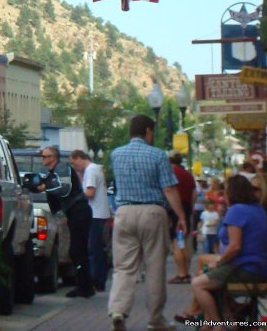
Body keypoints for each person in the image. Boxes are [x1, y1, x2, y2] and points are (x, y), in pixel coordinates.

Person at [107, 114, 187, 331]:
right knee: (154, 267)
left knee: (124, 267)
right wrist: (181, 216)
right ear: (148, 131)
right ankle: (155, 319)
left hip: (123, 212)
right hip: (153, 212)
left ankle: (118, 311)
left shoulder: (116, 154)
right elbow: (169, 189)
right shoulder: (158, 155)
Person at [188, 174, 267, 331]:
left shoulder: (236, 211)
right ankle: (224, 319)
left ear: (232, 192)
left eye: (225, 190)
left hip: (246, 266)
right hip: (261, 265)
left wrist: (218, 263)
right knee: (203, 271)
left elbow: (235, 247)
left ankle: (216, 324)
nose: (222, 194)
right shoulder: (257, 209)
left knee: (198, 284)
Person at [28, 145, 94, 298]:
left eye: (45, 156)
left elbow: (63, 188)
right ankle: (85, 285)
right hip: (74, 213)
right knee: (77, 251)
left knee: (77, 250)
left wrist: (45, 187)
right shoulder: (51, 173)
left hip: (79, 211)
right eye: (42, 157)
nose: (42, 159)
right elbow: (54, 200)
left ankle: (85, 287)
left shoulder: (63, 168)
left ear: (53, 158)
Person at [70, 149, 111, 292]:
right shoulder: (96, 169)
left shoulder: (90, 170)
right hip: (100, 213)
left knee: (92, 249)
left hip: (94, 213)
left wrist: (75, 196)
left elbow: (90, 192)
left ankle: (96, 279)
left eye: (75, 163)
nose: (75, 167)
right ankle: (99, 278)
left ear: (80, 158)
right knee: (97, 248)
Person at [168, 153, 196, 284]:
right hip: (186, 207)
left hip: (174, 209)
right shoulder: (188, 175)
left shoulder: (169, 173)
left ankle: (182, 273)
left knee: (177, 242)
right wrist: (189, 209)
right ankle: (186, 271)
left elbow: (168, 191)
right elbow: (194, 194)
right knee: (184, 241)